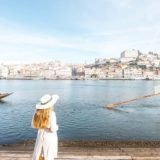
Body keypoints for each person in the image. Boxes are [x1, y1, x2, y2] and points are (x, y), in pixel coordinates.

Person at [31, 94, 59, 160]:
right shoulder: (52, 113)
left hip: (40, 135)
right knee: (48, 154)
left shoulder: (37, 113)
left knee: (39, 153)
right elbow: (53, 129)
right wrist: (57, 126)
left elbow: (33, 125)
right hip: (49, 136)